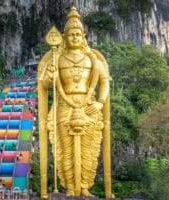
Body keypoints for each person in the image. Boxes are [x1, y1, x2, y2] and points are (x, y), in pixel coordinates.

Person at [38, 7, 110, 197]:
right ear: (65, 36)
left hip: (88, 105)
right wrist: (51, 75)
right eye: (71, 34)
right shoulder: (58, 59)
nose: (75, 37)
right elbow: (44, 85)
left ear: (84, 36)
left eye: (79, 34)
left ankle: (84, 185)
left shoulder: (92, 59)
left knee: (89, 149)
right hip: (64, 106)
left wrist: (100, 102)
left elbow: (104, 82)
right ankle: (70, 186)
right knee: (65, 149)